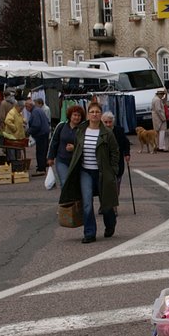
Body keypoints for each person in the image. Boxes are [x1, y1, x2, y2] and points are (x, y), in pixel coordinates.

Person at [59, 101, 120, 244]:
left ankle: (110, 224)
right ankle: (89, 233)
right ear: (88, 114)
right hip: (85, 172)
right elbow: (78, 149)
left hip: (102, 172)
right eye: (92, 112)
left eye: (97, 112)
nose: (94, 114)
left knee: (106, 204)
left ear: (101, 114)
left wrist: (113, 171)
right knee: (86, 203)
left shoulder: (107, 133)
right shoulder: (81, 130)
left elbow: (115, 152)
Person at [47, 105, 84, 188]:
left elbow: (85, 144)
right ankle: (66, 200)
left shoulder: (83, 129)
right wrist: (50, 157)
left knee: (75, 184)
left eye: (79, 115)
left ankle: (75, 200)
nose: (76, 117)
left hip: (76, 161)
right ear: (70, 115)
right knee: (64, 182)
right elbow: (54, 142)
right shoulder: (61, 126)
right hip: (62, 160)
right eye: (75, 115)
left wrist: (75, 148)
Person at [101, 111, 131, 194]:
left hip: (118, 162)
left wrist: (127, 154)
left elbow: (126, 143)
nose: (108, 124)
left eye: (110, 122)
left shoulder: (119, 130)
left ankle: (114, 204)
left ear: (113, 122)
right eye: (105, 122)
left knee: (116, 185)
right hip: (105, 163)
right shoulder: (100, 131)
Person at [25, 98, 51, 175]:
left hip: (41, 134)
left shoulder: (35, 112)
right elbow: (46, 120)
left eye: (26, 107)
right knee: (43, 150)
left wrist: (28, 132)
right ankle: (42, 166)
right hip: (45, 132)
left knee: (40, 152)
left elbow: (36, 125)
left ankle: (41, 168)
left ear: (29, 106)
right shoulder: (38, 110)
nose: (26, 109)